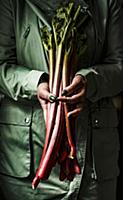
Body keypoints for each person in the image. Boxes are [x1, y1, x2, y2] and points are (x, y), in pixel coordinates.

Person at [0, 0, 123, 199]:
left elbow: (120, 66)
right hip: (25, 160)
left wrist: (90, 81)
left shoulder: (108, 3)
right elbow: (2, 65)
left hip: (94, 166)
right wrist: (35, 83)